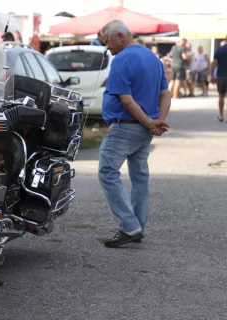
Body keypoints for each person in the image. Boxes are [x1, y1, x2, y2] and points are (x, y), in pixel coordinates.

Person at [98, 20, 171, 248]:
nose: (108, 48)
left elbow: (127, 100)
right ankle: (137, 226)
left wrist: (151, 122)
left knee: (107, 172)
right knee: (140, 177)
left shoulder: (122, 60)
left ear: (121, 36)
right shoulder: (153, 58)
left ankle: (130, 226)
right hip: (143, 130)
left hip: (125, 126)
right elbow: (165, 94)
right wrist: (157, 121)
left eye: (108, 41)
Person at [210, 38, 227, 121]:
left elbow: (214, 63)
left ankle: (221, 115)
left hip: (221, 75)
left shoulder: (219, 49)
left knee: (221, 96)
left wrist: (211, 75)